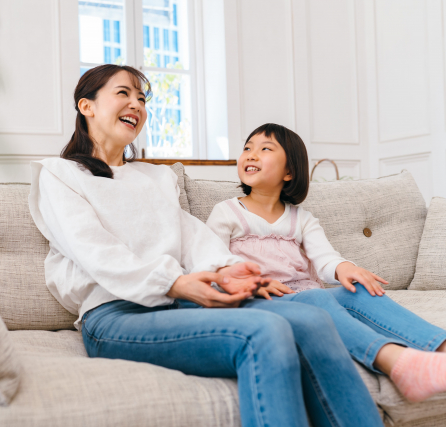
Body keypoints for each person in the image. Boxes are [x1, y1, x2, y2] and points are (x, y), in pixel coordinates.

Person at [28, 64, 384, 427]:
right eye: (123, 93)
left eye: (141, 98)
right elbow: (97, 252)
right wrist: (175, 283)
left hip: (175, 305)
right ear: (86, 106)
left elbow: (192, 237)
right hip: (113, 316)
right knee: (265, 331)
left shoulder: (156, 177)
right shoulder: (59, 175)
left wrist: (227, 268)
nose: (136, 104)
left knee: (311, 318)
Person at [206, 123, 446, 403]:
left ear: (289, 172)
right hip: (260, 300)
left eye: (265, 149)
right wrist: (246, 283)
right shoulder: (227, 212)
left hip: (305, 294)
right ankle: (398, 363)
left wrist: (346, 269)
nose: (251, 154)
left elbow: (326, 259)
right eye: (247, 148)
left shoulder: (302, 219)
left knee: (359, 290)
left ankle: (439, 349)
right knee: (318, 302)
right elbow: (211, 262)